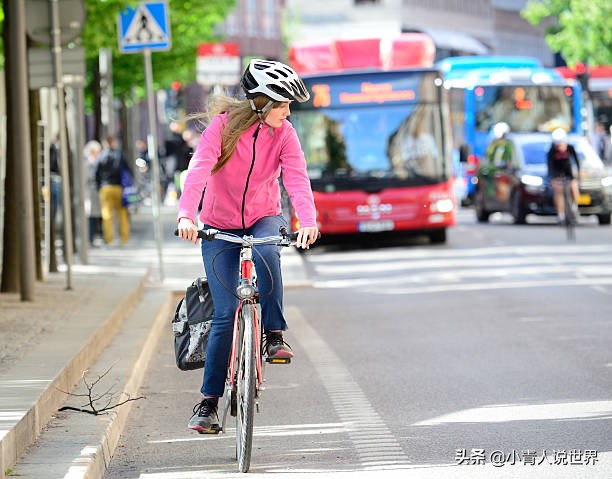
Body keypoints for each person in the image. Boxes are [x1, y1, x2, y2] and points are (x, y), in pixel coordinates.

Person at [176, 59, 319, 434]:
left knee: (268, 251)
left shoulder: (284, 134)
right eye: (283, 105)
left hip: (263, 216)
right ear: (261, 102)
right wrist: (186, 216)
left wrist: (308, 221)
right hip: (218, 224)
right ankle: (208, 403)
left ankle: (273, 335)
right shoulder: (222, 129)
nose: (288, 113)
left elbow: (297, 179)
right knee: (225, 312)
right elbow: (198, 171)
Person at [95, 136, 131, 245]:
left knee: (107, 215)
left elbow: (96, 172)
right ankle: (124, 238)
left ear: (105, 143)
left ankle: (109, 239)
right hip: (119, 187)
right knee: (122, 213)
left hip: (105, 187)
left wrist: (99, 186)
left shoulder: (101, 156)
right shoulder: (119, 155)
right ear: (114, 143)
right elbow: (127, 170)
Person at [547, 128, 580, 224]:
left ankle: (574, 207)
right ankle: (560, 215)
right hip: (557, 172)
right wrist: (552, 178)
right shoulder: (552, 151)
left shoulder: (570, 148)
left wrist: (577, 175)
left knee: (574, 186)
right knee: (558, 191)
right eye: (557, 145)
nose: (559, 148)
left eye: (561, 145)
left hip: (568, 170)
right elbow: (550, 166)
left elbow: (577, 162)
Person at [84, 140, 103, 245]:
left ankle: (97, 236)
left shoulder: (98, 161)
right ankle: (90, 238)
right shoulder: (88, 162)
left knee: (99, 215)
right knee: (91, 216)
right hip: (91, 191)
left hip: (97, 191)